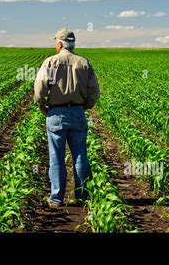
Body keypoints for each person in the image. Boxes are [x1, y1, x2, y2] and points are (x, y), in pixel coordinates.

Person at [34, 28, 100, 207]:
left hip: (56, 113)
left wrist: (43, 107)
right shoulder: (84, 63)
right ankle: (81, 196)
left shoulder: (50, 62)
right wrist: (85, 106)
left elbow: (40, 89)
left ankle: (56, 199)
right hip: (78, 112)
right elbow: (94, 91)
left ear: (59, 43)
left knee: (56, 157)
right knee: (80, 155)